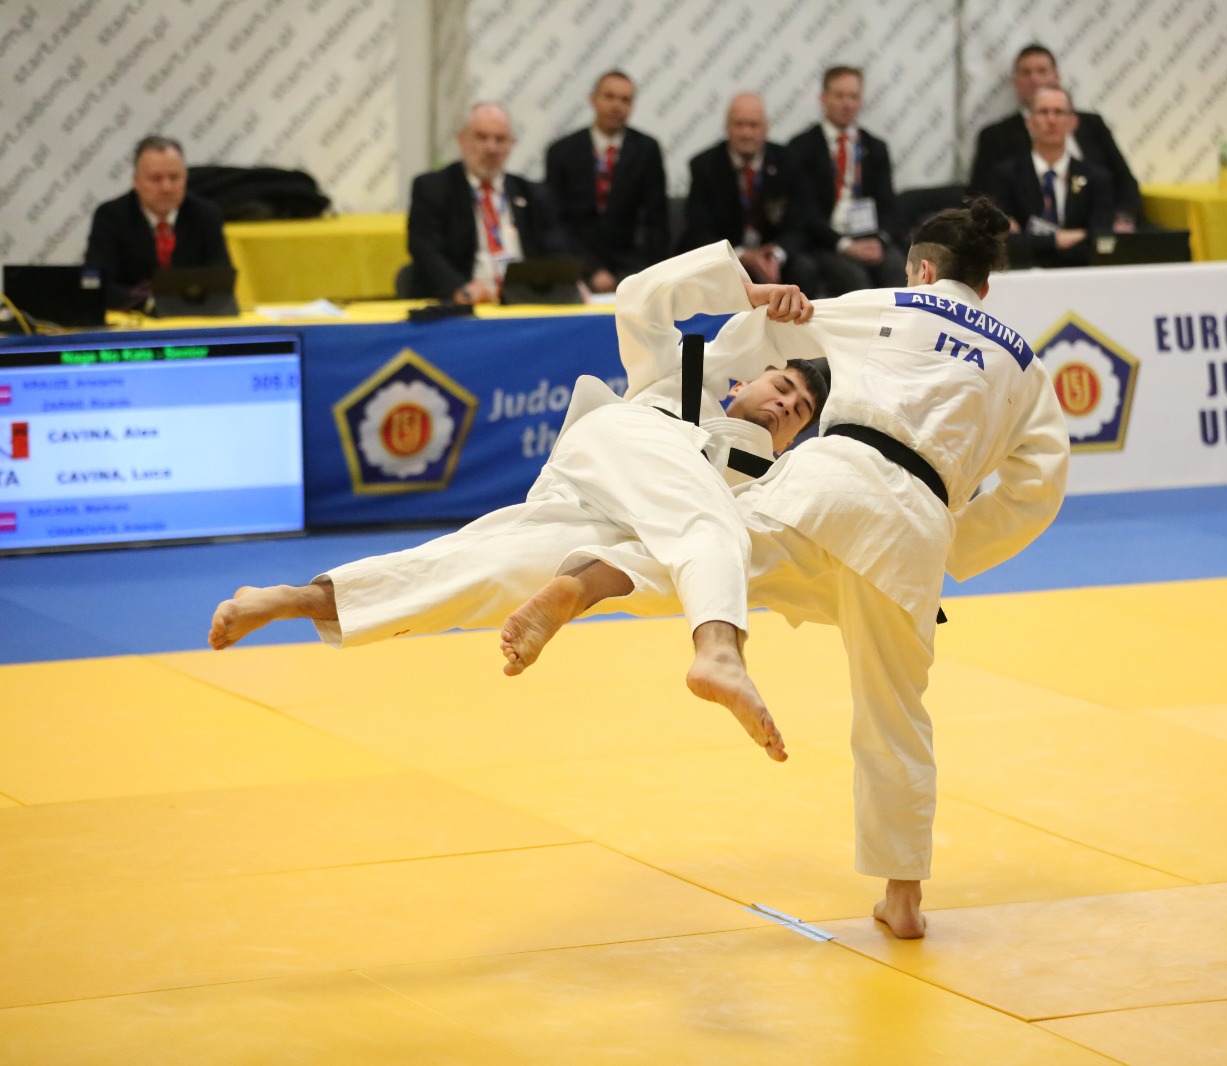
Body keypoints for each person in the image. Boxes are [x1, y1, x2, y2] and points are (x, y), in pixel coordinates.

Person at [507, 197, 1070, 939]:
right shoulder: (1024, 365)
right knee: (895, 716)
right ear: (984, 287)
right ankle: (902, 900)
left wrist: (715, 387)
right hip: (917, 529)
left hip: (832, 476)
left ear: (924, 271)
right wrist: (956, 548)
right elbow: (1042, 482)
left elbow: (778, 326)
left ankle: (583, 585)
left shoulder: (884, 302)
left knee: (706, 549)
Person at [209, 241, 829, 761]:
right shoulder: (684, 376)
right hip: (627, 446)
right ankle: (718, 651)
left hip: (604, 522)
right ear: (746, 378)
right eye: (780, 385)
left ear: (799, 435)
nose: (783, 405)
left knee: (480, 571)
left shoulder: (772, 478)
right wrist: (744, 294)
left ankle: (293, 598)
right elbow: (639, 297)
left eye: (798, 410)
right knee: (714, 530)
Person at [405, 102, 575, 304]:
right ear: (462, 140)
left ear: (511, 144)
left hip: (523, 303)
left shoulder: (532, 193)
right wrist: (460, 290)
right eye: (481, 137)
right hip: (465, 304)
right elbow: (425, 250)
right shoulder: (434, 188)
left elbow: (557, 250)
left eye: (500, 139)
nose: (491, 148)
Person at [968, 43, 1140, 232]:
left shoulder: (1092, 125)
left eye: (1042, 71)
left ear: (1056, 77)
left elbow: (1123, 178)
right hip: (1028, 235)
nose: (1034, 79)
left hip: (1095, 225)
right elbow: (980, 194)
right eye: (1026, 73)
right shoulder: (996, 136)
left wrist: (1123, 218)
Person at [681, 93, 825, 294]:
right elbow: (700, 229)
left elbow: (799, 223)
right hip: (724, 258)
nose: (746, 133)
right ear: (727, 127)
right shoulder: (704, 166)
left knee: (804, 269)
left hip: (773, 257)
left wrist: (776, 254)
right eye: (739, 125)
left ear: (766, 128)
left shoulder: (788, 161)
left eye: (753, 125)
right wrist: (740, 256)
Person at [544, 70, 670, 295]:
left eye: (625, 100)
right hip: (577, 267)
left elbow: (656, 221)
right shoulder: (562, 152)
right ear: (593, 99)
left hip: (632, 268)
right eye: (609, 97)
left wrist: (634, 274)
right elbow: (555, 222)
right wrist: (591, 269)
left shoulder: (647, 150)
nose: (616, 106)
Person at [786, 66, 904, 295]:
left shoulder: (875, 147)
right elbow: (804, 213)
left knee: (897, 269)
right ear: (823, 99)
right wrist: (844, 245)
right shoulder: (801, 148)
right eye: (839, 96)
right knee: (854, 279)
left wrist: (880, 240)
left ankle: (894, 332)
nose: (846, 103)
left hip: (869, 236)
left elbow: (889, 206)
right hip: (826, 241)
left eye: (853, 96)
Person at [84, 136, 232, 312]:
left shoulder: (206, 214)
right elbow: (97, 283)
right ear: (136, 181)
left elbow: (220, 279)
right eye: (155, 178)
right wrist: (151, 303)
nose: (166, 187)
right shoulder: (111, 216)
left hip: (192, 318)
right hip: (134, 319)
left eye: (174, 177)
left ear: (185, 178)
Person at [978, 86, 1115, 268]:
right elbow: (1004, 241)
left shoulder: (1097, 178)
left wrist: (1031, 241)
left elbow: (1100, 238)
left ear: (1072, 122)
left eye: (1059, 112)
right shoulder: (1005, 176)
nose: (1051, 119)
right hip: (1023, 274)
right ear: (1029, 122)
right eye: (1043, 112)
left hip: (1081, 273)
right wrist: (1060, 239)